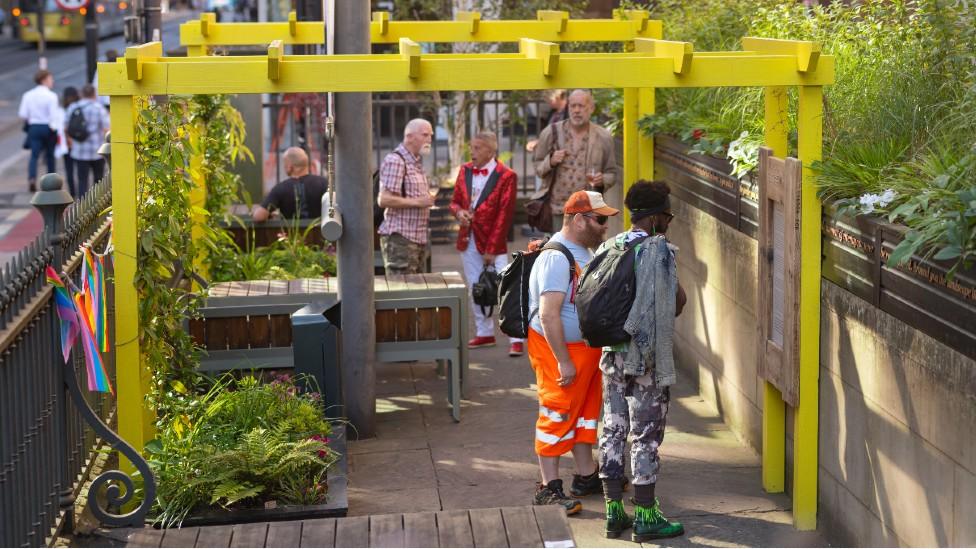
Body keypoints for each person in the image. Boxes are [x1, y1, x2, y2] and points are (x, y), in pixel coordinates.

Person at [597, 180, 687, 542]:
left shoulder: (610, 246)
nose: (669, 222)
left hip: (610, 356)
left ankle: (613, 512)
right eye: (668, 215)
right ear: (654, 218)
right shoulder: (657, 249)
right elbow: (673, 303)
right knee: (645, 434)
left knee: (613, 429)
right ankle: (647, 517)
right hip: (643, 358)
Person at [529, 190, 618, 515]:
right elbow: (548, 313)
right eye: (600, 219)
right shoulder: (557, 256)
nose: (605, 225)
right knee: (557, 412)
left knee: (584, 414)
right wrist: (563, 361)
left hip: (582, 350)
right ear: (579, 219)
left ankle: (586, 475)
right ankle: (547, 487)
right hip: (561, 352)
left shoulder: (580, 251)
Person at [449, 130, 525, 357]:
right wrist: (459, 213)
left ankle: (516, 337)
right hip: (468, 237)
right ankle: (484, 332)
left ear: (491, 151)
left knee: (505, 288)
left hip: (493, 240)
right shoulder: (464, 170)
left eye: (478, 148)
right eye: (471, 147)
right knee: (476, 286)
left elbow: (504, 215)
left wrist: (492, 249)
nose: (472, 151)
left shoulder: (506, 175)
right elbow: (454, 202)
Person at [532, 89, 619, 230]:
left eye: (581, 106)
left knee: (587, 251)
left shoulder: (603, 137)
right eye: (573, 106)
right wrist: (551, 161)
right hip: (559, 209)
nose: (576, 110)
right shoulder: (551, 132)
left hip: (589, 210)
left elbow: (612, 173)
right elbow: (537, 166)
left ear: (591, 108)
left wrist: (602, 179)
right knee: (559, 250)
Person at [376, 118, 437, 275]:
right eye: (425, 135)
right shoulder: (396, 161)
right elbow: (384, 199)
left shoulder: (415, 161)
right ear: (409, 137)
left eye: (431, 135)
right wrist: (419, 202)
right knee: (402, 293)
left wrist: (426, 199)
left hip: (417, 237)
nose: (429, 139)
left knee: (414, 293)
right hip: (401, 239)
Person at [252, 147, 328, 221]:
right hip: (320, 232)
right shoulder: (323, 183)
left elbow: (259, 216)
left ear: (290, 167)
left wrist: (270, 215)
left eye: (285, 164)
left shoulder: (281, 188)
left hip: (291, 233)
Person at [65, 84, 110, 197]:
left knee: (82, 180)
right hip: (97, 150)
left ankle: (81, 206)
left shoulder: (73, 107)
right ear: (94, 94)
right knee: (98, 179)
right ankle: (97, 205)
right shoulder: (99, 108)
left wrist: (69, 142)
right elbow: (106, 129)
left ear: (82, 94)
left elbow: (66, 127)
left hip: (79, 150)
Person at [19, 70, 59, 192]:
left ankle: (32, 179)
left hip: (34, 127)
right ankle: (51, 183)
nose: (52, 81)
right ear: (44, 80)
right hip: (47, 127)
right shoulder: (51, 96)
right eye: (50, 79)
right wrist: (54, 129)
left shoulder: (28, 95)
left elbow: (23, 114)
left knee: (34, 156)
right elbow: (54, 116)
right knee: (50, 156)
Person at [525, 89, 569, 154]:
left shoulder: (569, 112)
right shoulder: (553, 112)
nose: (548, 102)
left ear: (558, 98)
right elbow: (548, 132)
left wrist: (538, 142)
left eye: (550, 100)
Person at [57, 87, 79, 196]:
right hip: (78, 143)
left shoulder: (61, 110)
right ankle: (81, 193)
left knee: (69, 169)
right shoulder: (78, 108)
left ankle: (72, 192)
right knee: (80, 169)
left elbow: (61, 128)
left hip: (66, 145)